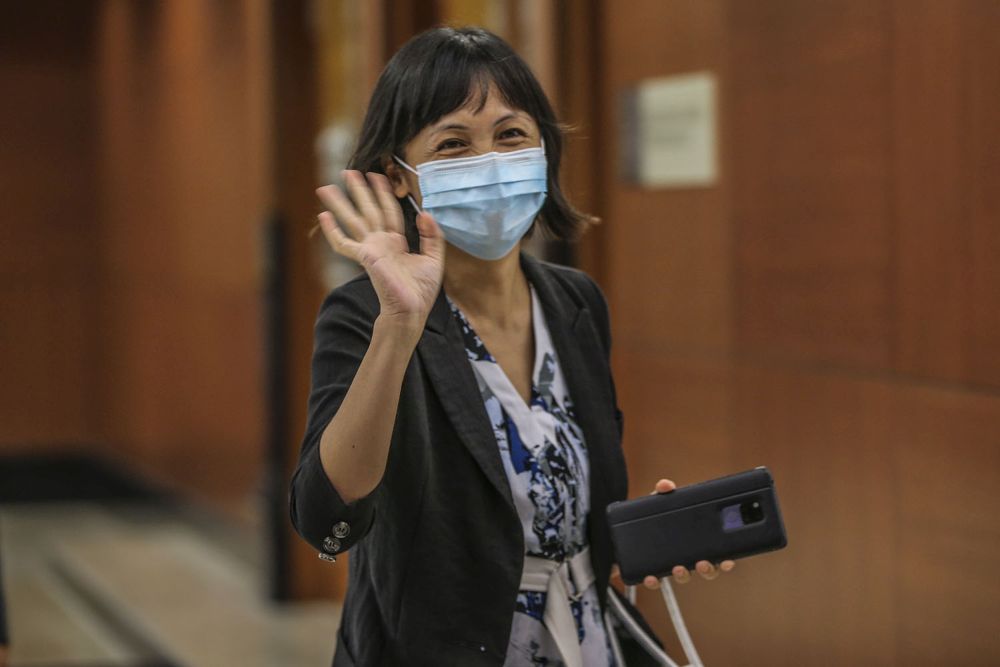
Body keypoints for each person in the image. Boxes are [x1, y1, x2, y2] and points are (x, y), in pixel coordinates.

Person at [289, 26, 734, 667]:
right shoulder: (365, 315)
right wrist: (399, 323)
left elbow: (563, 510)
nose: (490, 162)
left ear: (544, 150)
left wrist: (638, 540)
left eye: (511, 135)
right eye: (453, 144)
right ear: (399, 177)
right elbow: (327, 519)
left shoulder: (574, 302)